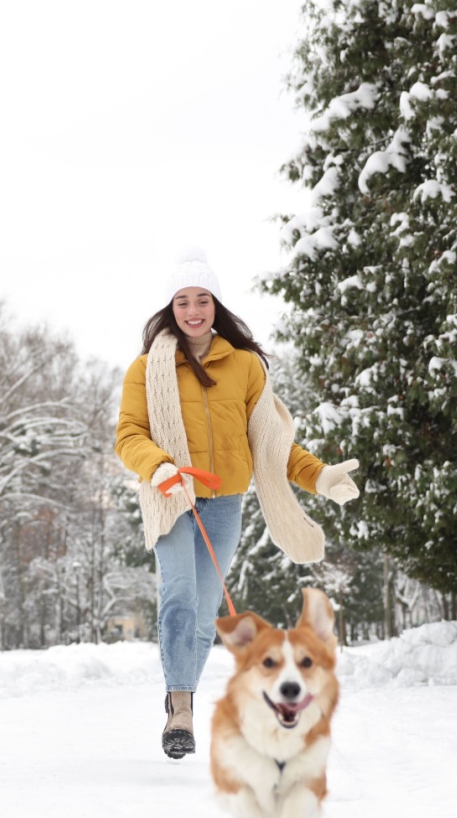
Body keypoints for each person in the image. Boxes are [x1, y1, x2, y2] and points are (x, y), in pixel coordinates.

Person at [114, 248, 360, 759]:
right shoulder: (146, 369)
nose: (193, 310)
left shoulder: (245, 366)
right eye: (182, 301)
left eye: (202, 299)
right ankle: (180, 710)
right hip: (171, 498)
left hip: (224, 504)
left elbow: (270, 443)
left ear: (216, 304)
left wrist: (320, 477)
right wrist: (159, 466)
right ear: (171, 309)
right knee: (179, 597)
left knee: (206, 615)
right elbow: (129, 435)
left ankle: (180, 688)